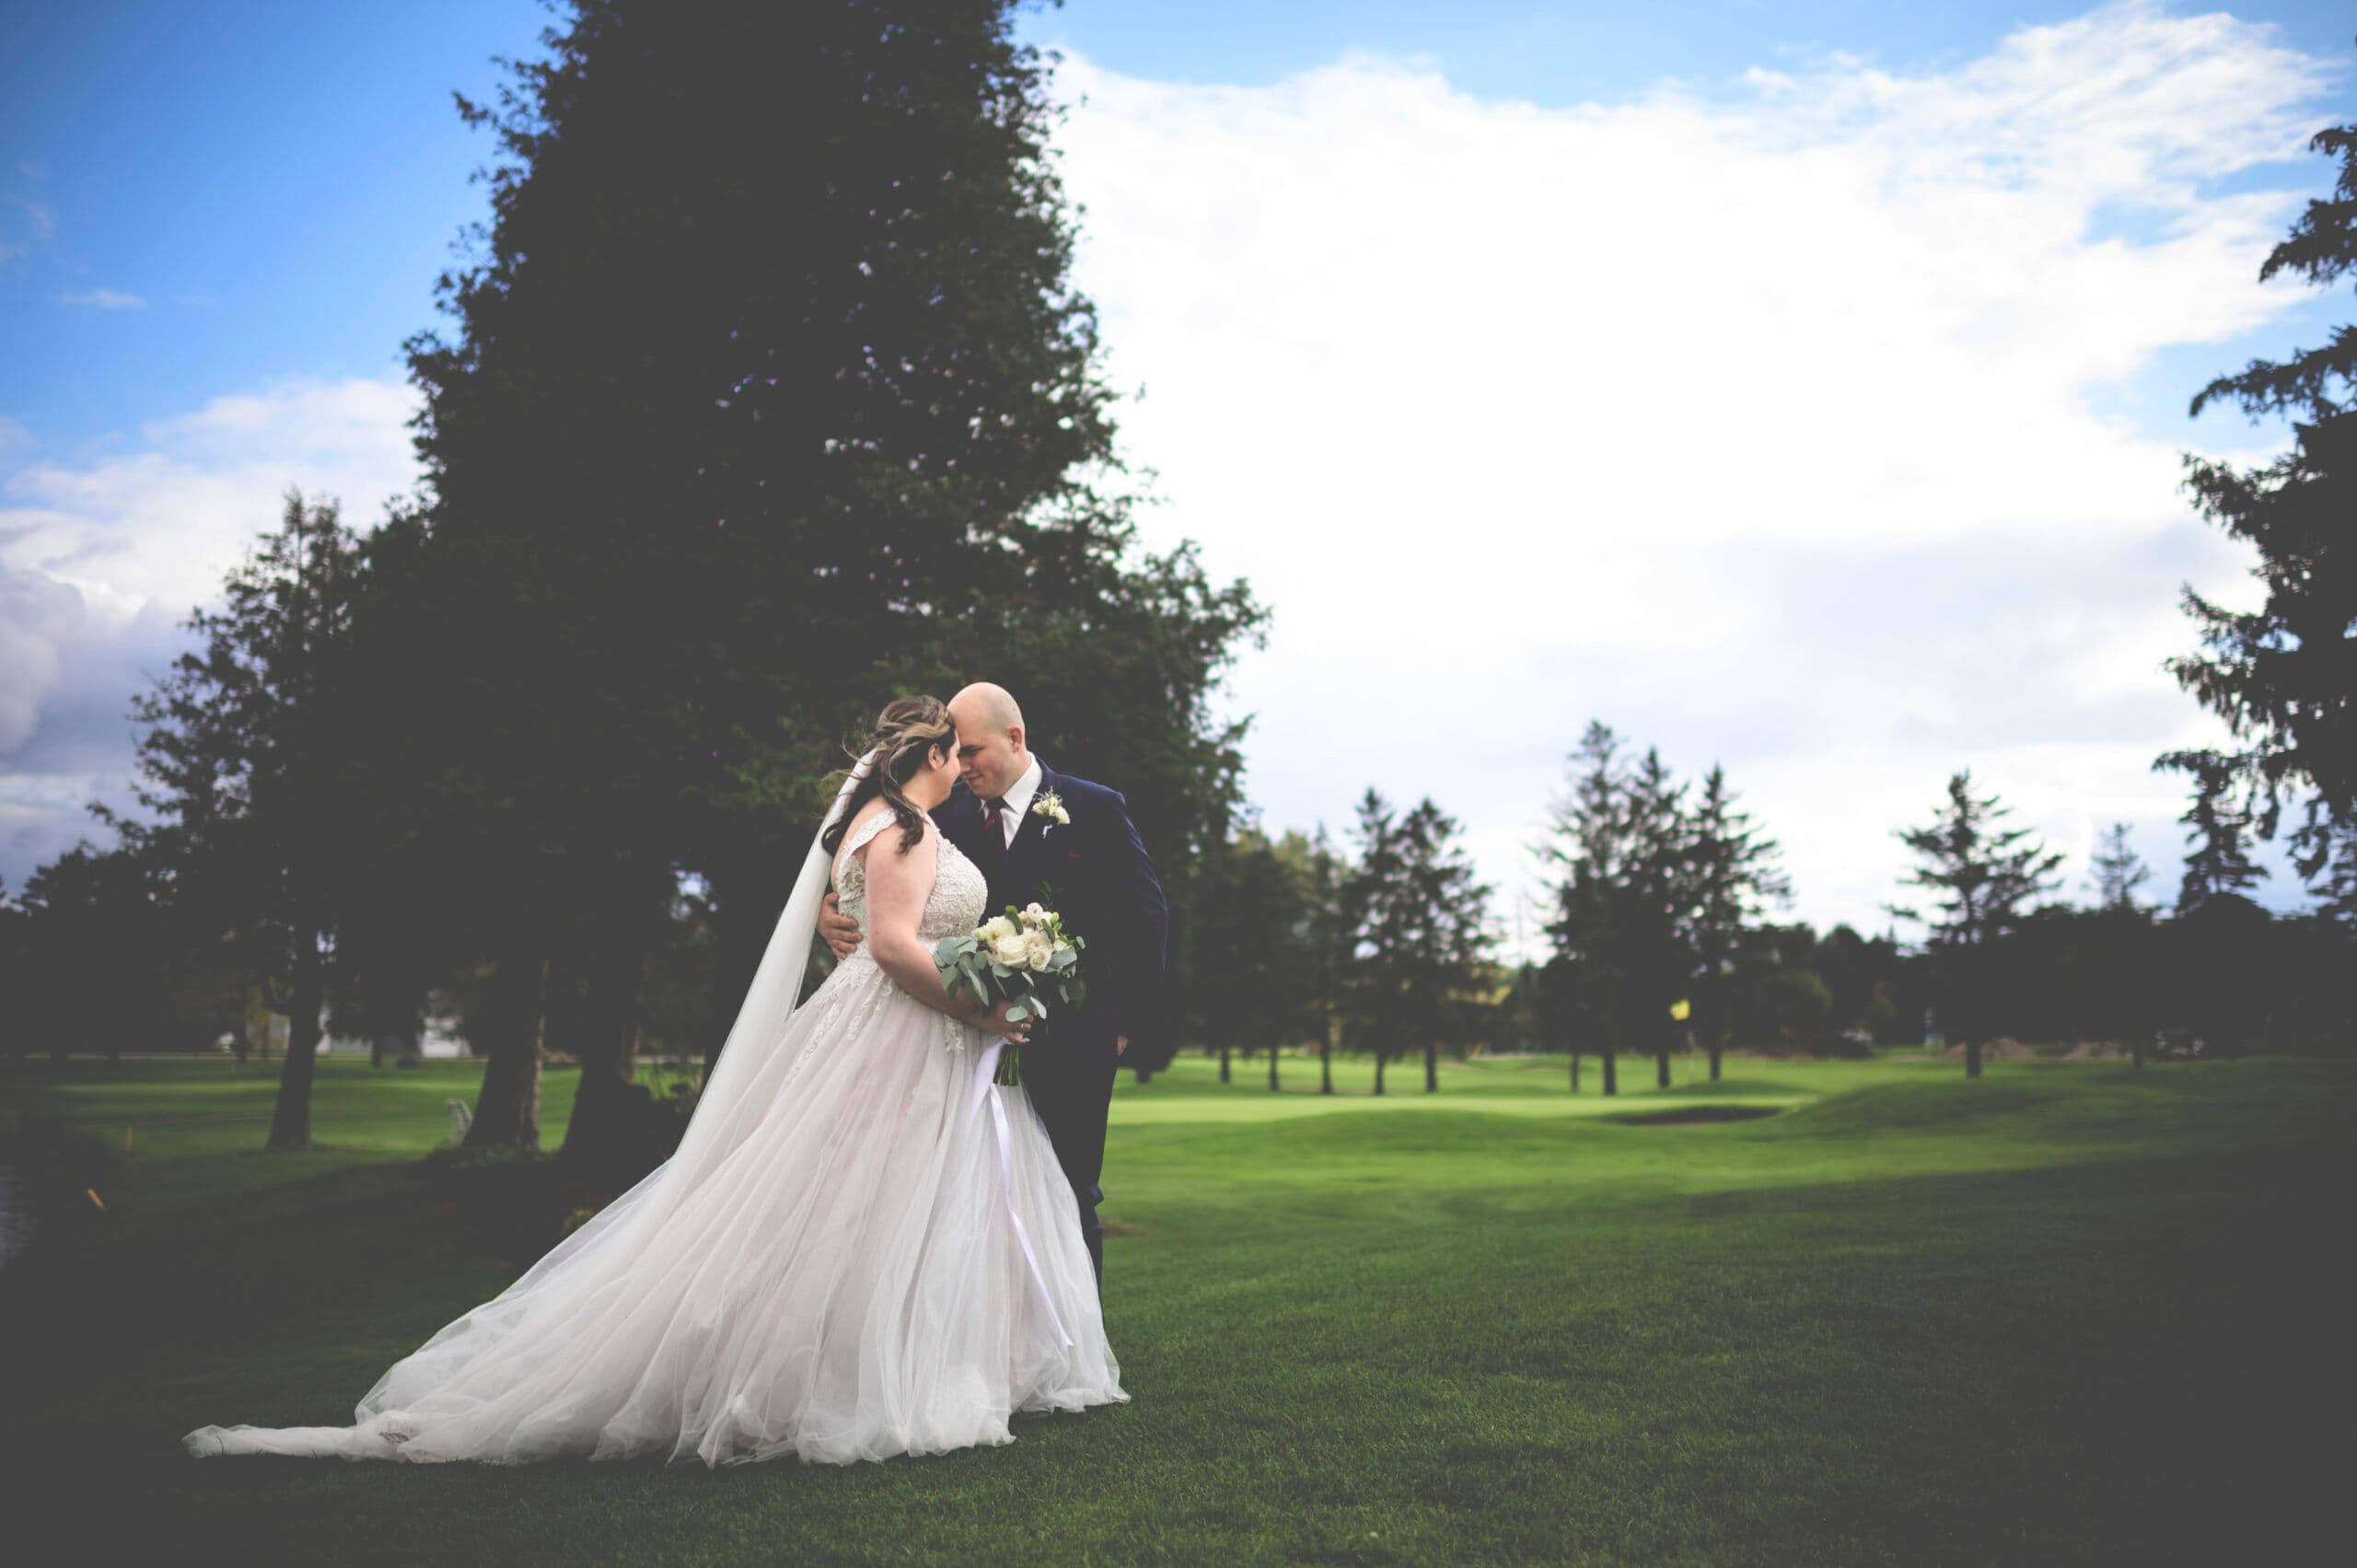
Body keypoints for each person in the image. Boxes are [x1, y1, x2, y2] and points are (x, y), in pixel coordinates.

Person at [182, 696, 1125, 1467]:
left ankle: (889, 1361)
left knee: (844, 1203)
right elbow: (887, 944)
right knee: (860, 1202)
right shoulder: (910, 828)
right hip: (903, 1032)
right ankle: (849, 1378)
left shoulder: (867, 822)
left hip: (876, 1031)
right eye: (953, 754)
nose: (964, 768)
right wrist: (981, 1007)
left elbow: (871, 932)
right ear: (928, 756)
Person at [819, 682, 1167, 1286]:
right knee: (964, 1196)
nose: (964, 763)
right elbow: (881, 879)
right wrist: (829, 908)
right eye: (956, 751)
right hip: (954, 1038)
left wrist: (1123, 1027)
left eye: (973, 749)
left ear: (1015, 738)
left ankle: (1073, 1344)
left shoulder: (1094, 807)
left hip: (1071, 1038)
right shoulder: (938, 811)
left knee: (1067, 1191)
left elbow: (1147, 917)